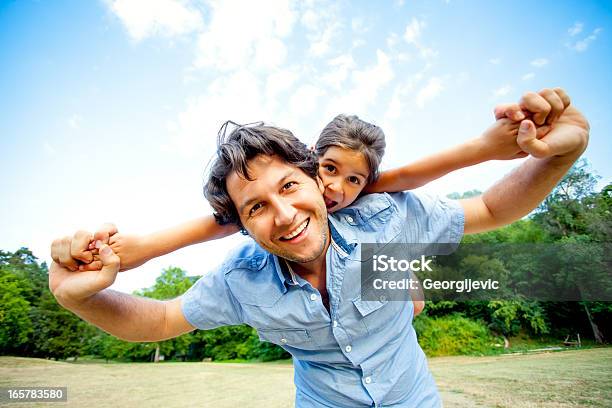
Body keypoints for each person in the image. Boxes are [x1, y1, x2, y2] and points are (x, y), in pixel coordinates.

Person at [49, 88, 589, 407]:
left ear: (315, 183)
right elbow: (161, 320)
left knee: (402, 288)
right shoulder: (242, 279)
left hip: (414, 397)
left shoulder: (384, 218)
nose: (283, 215)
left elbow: (492, 211)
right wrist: (79, 297)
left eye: (288, 186)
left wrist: (558, 156)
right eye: (255, 207)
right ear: (241, 225)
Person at [75, 110, 529, 316]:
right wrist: (147, 246)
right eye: (328, 171)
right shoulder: (289, 190)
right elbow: (227, 217)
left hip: (383, 269)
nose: (335, 188)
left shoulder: (364, 198)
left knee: (409, 297)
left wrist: (485, 149)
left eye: (355, 180)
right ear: (313, 161)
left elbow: (406, 177)